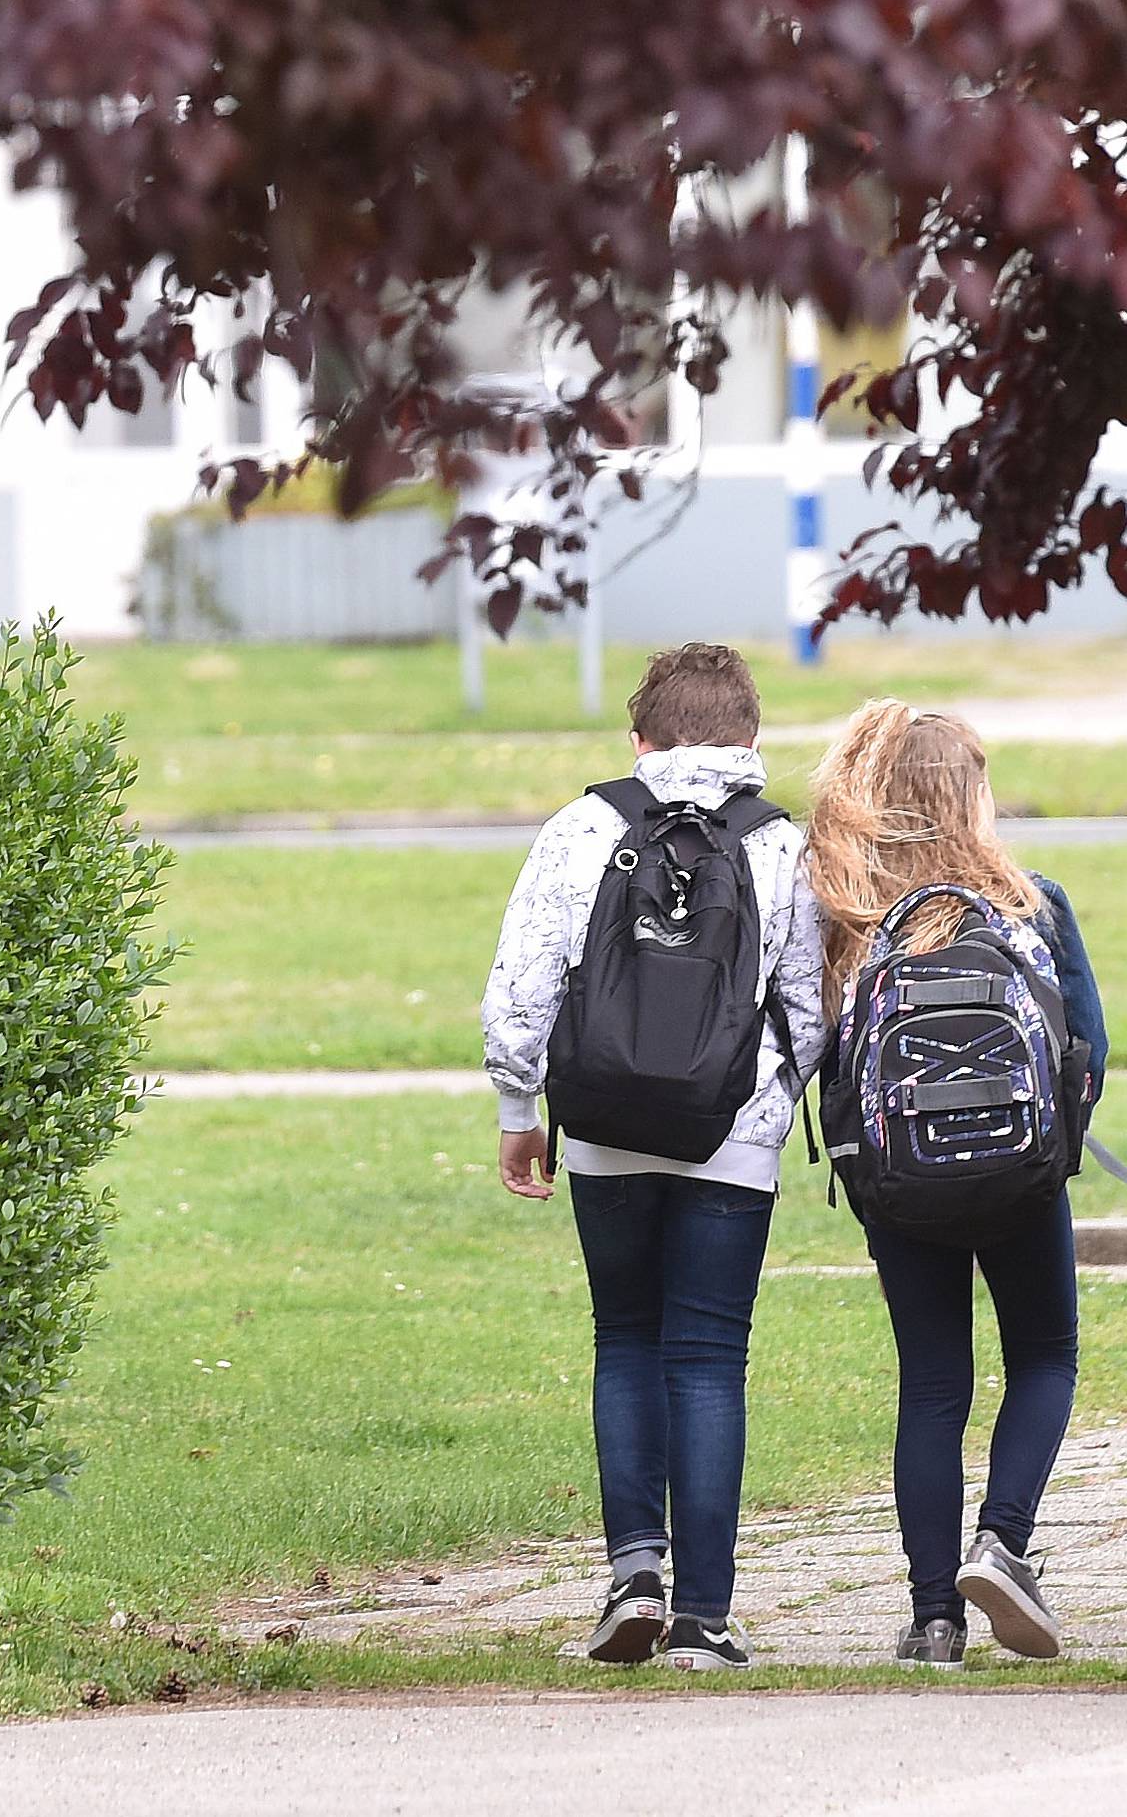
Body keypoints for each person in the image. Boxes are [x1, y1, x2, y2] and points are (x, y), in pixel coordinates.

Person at [481, 641, 825, 1673]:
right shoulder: (780, 846)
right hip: (732, 1135)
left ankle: (635, 1571)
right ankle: (706, 1618)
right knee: (710, 1355)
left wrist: (517, 1102)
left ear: (638, 738)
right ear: (750, 740)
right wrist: (765, 1105)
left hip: (601, 1122)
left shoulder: (583, 825)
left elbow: (525, 975)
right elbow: (811, 1004)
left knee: (625, 1336)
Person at [802, 700, 1108, 1667]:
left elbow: (829, 1060)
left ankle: (934, 1616)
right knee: (1045, 1356)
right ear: (973, 797)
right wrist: (1050, 1151)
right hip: (1021, 1180)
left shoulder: (851, 919)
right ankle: (1004, 1544)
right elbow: (1088, 1050)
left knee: (933, 1385)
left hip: (900, 1189)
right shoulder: (1032, 903)